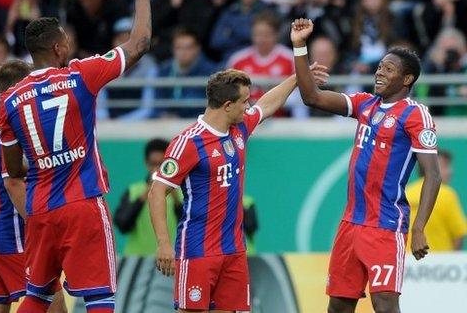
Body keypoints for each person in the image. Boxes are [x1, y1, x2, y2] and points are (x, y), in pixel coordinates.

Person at [0, 0, 153, 313]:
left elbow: (12, 169)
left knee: (37, 296)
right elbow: (139, 43)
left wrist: (44, 158)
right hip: (81, 203)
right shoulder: (81, 75)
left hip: (39, 208)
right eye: (66, 39)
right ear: (58, 46)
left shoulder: (9, 99)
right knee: (99, 297)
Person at [290, 18, 442, 313]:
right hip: (350, 224)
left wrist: (419, 228)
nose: (379, 72)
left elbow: (433, 176)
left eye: (388, 69)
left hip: (385, 226)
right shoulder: (365, 105)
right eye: (380, 66)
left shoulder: (415, 115)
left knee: (385, 305)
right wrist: (299, 47)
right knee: (338, 307)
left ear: (407, 79)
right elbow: (312, 96)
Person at [148, 66, 328, 312]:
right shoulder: (189, 142)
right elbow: (157, 191)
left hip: (233, 250)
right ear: (227, 105)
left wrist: (297, 77)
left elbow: (266, 105)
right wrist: (163, 244)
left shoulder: (239, 130)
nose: (248, 106)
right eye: (245, 101)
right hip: (197, 250)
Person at [0, 59, 66, 313]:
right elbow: (12, 182)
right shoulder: (12, 126)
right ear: (18, 89)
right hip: (11, 230)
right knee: (54, 307)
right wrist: (41, 229)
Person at [113, 138, 181, 256]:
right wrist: (144, 197)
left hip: (170, 260)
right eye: (153, 164)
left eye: (161, 164)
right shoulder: (134, 191)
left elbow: (190, 226)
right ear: (146, 163)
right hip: (137, 261)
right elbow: (122, 225)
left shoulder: (180, 192)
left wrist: (175, 199)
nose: (157, 169)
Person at [406, 150, 467, 251]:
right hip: (439, 263)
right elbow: (458, 237)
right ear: (431, 167)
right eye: (445, 166)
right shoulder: (447, 194)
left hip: (407, 261)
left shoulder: (406, 192)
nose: (450, 171)